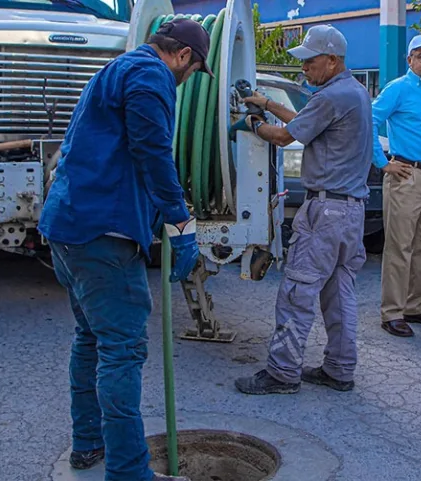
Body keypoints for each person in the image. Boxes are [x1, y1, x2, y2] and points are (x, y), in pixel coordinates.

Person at [38, 19, 211, 481]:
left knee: (92, 338)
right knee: (122, 348)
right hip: (102, 232)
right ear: (182, 56)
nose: (187, 78)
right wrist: (179, 218)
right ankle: (130, 470)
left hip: (67, 225)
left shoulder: (115, 68)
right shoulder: (152, 75)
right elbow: (152, 150)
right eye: (192, 71)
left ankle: (89, 443)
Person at [234, 25, 371, 394]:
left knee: (298, 292)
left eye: (310, 62)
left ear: (332, 60)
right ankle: (340, 370)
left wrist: (254, 124)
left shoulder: (332, 96)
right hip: (350, 212)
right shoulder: (353, 91)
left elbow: (284, 135)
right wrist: (267, 103)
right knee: (339, 293)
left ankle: (281, 374)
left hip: (324, 212)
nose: (305, 69)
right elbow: (306, 120)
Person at [371, 33, 421, 338]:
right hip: (405, 175)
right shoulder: (399, 89)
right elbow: (369, 118)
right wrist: (383, 163)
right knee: (399, 247)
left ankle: (416, 306)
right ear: (410, 60)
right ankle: (392, 312)